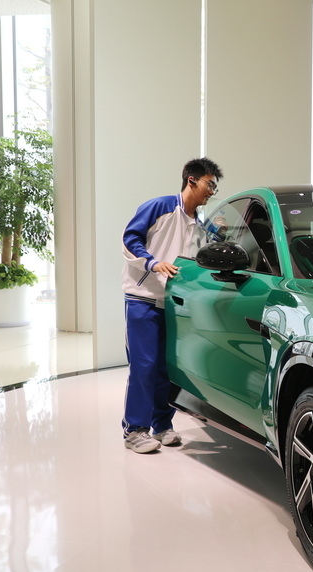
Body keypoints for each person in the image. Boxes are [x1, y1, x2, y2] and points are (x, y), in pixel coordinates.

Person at [121, 157, 224, 453]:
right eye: (209, 185)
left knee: (166, 368)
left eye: (214, 187)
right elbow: (130, 239)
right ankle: (134, 430)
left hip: (174, 303)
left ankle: (162, 425)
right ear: (192, 180)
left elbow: (211, 250)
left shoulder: (201, 223)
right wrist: (152, 263)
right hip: (142, 298)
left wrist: (220, 232)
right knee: (144, 366)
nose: (211, 192)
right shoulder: (160, 207)